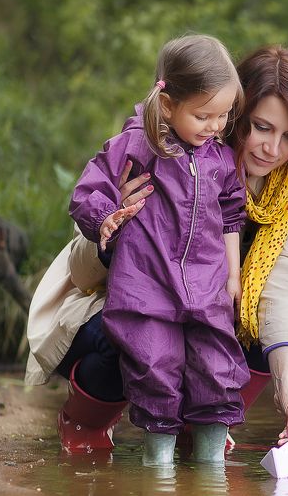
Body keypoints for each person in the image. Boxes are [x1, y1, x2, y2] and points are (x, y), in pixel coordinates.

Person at [25, 44, 288, 462]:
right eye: (262, 127)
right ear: (236, 115)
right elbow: (82, 268)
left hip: (208, 307)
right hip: (123, 297)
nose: (272, 149)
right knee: (138, 338)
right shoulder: (159, 149)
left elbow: (282, 284)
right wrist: (116, 219)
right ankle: (87, 420)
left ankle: (203, 423)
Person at [67, 33, 247, 466]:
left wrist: (233, 275)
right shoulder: (136, 146)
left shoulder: (219, 158)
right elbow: (88, 191)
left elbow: (230, 215)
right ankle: (159, 464)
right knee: (155, 369)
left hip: (205, 287)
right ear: (168, 105)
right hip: (145, 286)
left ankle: (211, 467)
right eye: (203, 116)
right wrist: (105, 216)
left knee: (217, 368)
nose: (216, 127)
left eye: (223, 116)